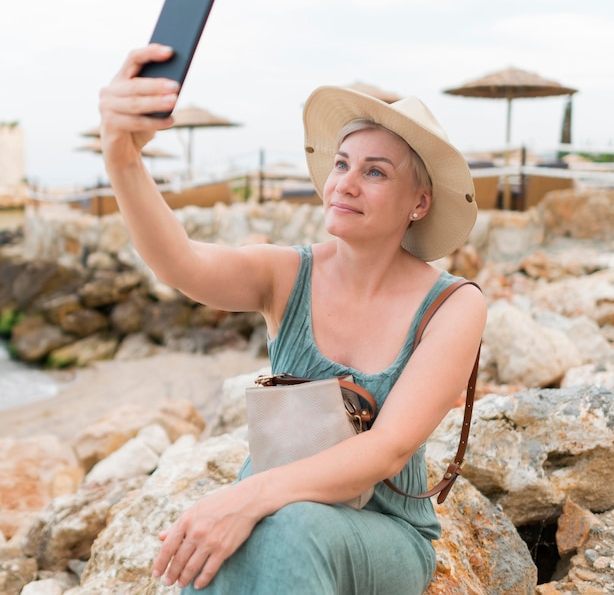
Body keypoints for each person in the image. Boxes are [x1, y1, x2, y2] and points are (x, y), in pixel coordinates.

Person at [98, 43, 486, 594]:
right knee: (235, 540)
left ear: (419, 202)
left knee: (279, 525)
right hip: (274, 509)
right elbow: (180, 262)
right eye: (342, 164)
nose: (345, 183)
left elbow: (389, 448)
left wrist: (244, 496)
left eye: (375, 172)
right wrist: (122, 156)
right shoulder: (286, 274)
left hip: (383, 532)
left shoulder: (453, 305)